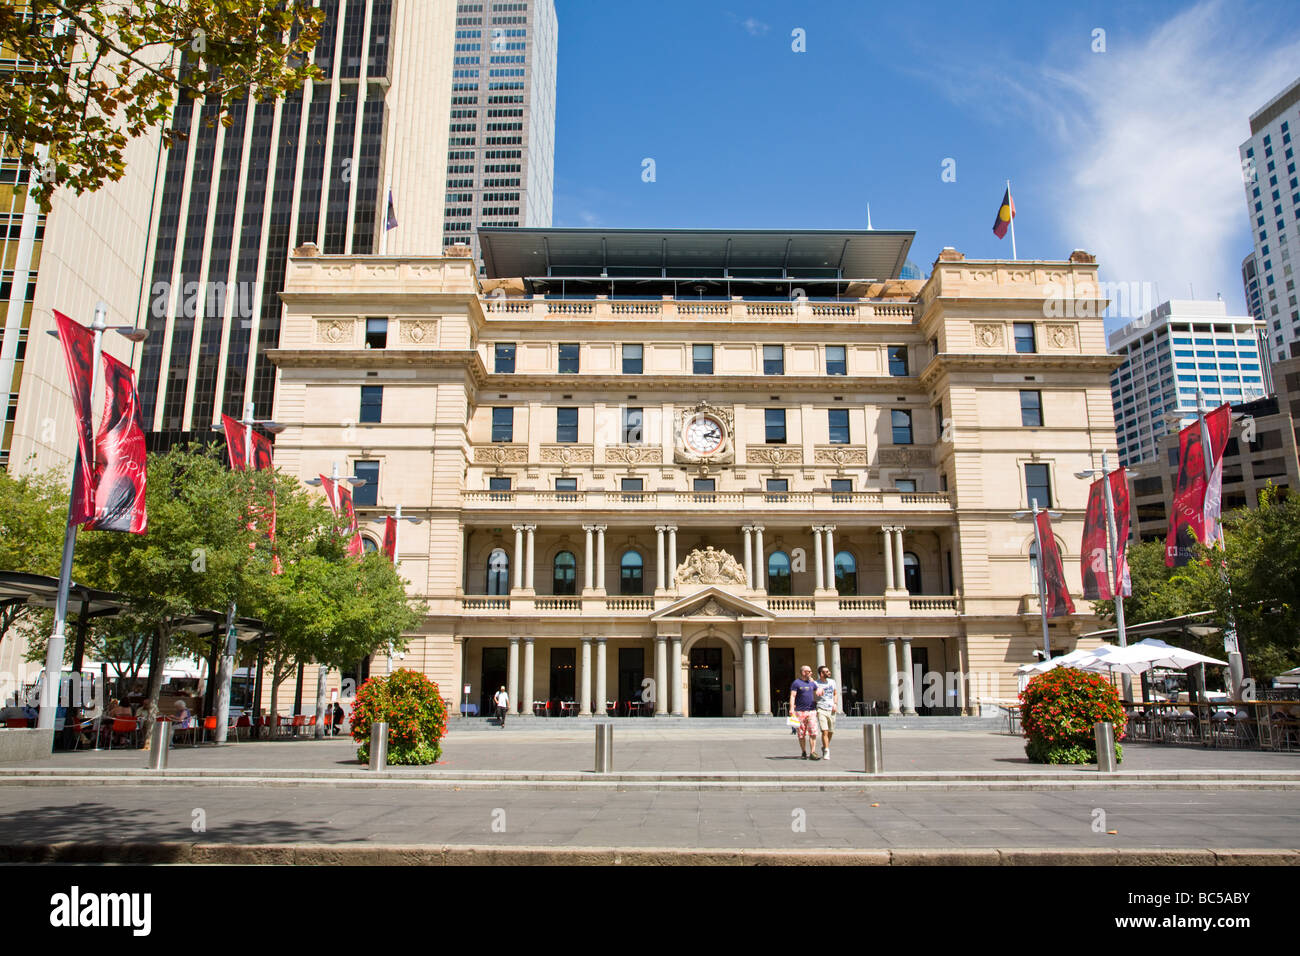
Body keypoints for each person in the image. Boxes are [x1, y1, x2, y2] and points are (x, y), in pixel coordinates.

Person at [789, 665, 820, 759]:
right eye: (809, 671)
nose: (811, 673)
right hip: (800, 711)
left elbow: (819, 690)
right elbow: (793, 696)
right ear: (803, 672)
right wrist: (791, 709)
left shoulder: (812, 683)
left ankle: (813, 752)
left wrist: (814, 682)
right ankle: (803, 751)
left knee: (813, 732)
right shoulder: (796, 683)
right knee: (801, 733)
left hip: (811, 711)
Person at [814, 665, 839, 760]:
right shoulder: (816, 683)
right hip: (821, 708)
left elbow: (835, 694)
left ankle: (825, 746)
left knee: (830, 731)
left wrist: (835, 704)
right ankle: (827, 751)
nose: (829, 672)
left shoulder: (832, 682)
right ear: (821, 674)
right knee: (824, 731)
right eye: (827, 671)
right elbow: (813, 690)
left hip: (831, 709)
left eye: (828, 671)